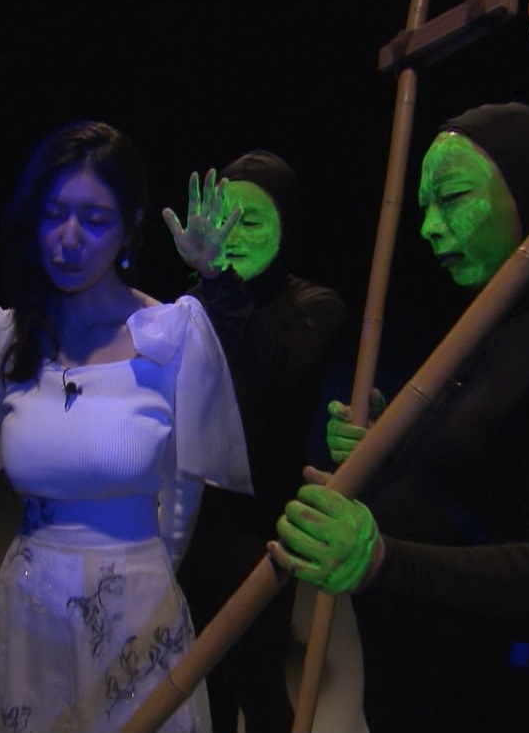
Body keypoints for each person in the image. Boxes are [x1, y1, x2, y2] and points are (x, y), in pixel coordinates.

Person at [267, 103, 529, 732]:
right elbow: (484, 474)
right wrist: (390, 452)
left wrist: (381, 560)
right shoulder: (500, 318)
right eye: (424, 208)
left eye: (454, 198)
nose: (429, 228)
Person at [0, 120, 253, 732]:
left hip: (136, 609)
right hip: (29, 608)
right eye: (53, 214)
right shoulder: (4, 340)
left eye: (95, 220)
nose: (68, 239)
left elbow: (185, 496)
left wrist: (141, 587)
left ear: (130, 225)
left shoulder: (171, 336)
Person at [164, 151, 347, 732]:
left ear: (286, 227)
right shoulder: (199, 300)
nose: (231, 235)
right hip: (193, 522)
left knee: (258, 681)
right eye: (224, 219)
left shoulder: (316, 305)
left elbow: (275, 375)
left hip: (262, 530)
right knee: (200, 685)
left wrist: (216, 281)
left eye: (251, 221)